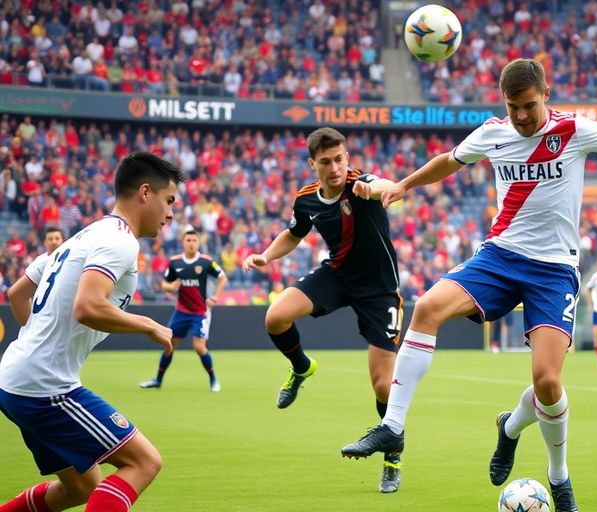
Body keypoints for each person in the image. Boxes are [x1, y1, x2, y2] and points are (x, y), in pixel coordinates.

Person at [339, 58, 597, 512]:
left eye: (529, 106)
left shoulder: (575, 130)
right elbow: (449, 161)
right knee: (427, 308)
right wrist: (403, 185)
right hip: (500, 257)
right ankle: (393, 426)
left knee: (547, 382)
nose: (520, 116)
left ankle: (549, 467)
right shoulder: (494, 132)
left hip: (554, 270)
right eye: (513, 106)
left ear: (547, 95)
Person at [0, 152, 182, 512]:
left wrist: (42, 336)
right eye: (170, 201)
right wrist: (149, 325)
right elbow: (88, 307)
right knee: (144, 462)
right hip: (44, 387)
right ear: (146, 192)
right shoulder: (120, 240)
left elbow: (17, 293)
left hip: (15, 378)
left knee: (81, 488)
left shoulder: (81, 237)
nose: (171, 214)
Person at [241, 127, 405, 494]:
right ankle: (302, 367)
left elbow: (388, 185)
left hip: (379, 290)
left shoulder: (361, 183)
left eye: (340, 159)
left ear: (348, 159)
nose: (334, 168)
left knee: (382, 385)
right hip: (337, 274)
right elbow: (294, 233)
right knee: (275, 316)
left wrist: (375, 188)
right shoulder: (306, 200)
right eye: (326, 161)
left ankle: (393, 454)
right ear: (312, 164)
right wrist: (265, 255)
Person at [139, 230, 228, 391]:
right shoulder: (175, 262)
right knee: (169, 345)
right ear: (183, 242)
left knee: (199, 348)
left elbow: (222, 277)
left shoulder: (206, 261)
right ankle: (158, 380)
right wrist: (170, 287)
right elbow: (165, 284)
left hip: (200, 312)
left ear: (198, 242)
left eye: (194, 240)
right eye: (188, 240)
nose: (192, 243)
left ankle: (214, 380)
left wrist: (215, 296)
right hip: (181, 311)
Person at [6, 227, 65, 326]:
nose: (54, 242)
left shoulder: (71, 261)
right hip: (44, 313)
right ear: (45, 242)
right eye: (50, 239)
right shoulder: (40, 262)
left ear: (64, 241)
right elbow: (18, 293)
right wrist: (30, 325)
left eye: (57, 238)